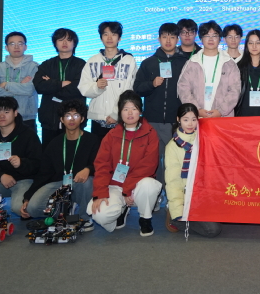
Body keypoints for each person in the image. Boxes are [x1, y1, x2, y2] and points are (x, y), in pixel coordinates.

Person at [87, 91, 161, 235]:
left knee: (150, 185)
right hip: (115, 185)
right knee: (99, 214)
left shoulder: (150, 133)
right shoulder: (111, 135)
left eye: (134, 108)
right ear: (120, 112)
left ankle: (145, 218)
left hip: (138, 185)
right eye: (126, 109)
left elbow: (149, 166)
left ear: (140, 111)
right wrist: (100, 192)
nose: (130, 113)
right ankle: (121, 209)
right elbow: (102, 165)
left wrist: (128, 188)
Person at [20, 100, 100, 227]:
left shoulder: (92, 140)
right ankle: (66, 210)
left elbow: (100, 164)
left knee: (88, 181)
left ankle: (84, 217)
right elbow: (43, 173)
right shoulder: (54, 143)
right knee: (32, 208)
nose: (71, 119)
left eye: (76, 115)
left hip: (80, 183)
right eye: (67, 116)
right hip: (60, 183)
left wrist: (88, 169)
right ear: (62, 119)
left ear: (82, 119)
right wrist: (28, 197)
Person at [134, 22, 188, 185]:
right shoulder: (149, 62)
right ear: (159, 39)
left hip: (175, 122)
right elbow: (137, 88)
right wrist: (152, 83)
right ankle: (155, 194)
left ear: (177, 39)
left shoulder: (185, 63)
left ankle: (173, 196)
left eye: (172, 37)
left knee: (175, 162)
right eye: (164, 37)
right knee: (154, 161)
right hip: (153, 121)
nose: (168, 40)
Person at [164, 103, 222, 237]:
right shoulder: (172, 146)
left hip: (203, 196)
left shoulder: (203, 139)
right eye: (186, 119)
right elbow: (173, 182)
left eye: (193, 119)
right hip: (185, 197)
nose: (190, 124)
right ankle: (174, 218)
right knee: (212, 230)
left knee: (225, 216)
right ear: (178, 119)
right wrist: (178, 211)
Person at [78, 21, 138, 140]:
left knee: (119, 150)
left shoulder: (128, 60)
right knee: (98, 150)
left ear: (119, 38)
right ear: (101, 38)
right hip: (98, 118)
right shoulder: (92, 60)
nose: (109, 38)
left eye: (113, 34)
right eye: (105, 34)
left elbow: (130, 90)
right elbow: (83, 88)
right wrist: (96, 87)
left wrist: (116, 113)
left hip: (120, 118)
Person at [33, 28, 87, 150]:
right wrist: (62, 83)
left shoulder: (81, 64)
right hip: (49, 119)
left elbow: (78, 88)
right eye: (61, 39)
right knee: (49, 153)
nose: (64, 43)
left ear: (74, 43)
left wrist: (51, 84)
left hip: (74, 119)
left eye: (69, 40)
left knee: (74, 153)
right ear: (55, 43)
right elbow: (39, 86)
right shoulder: (47, 64)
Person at [177, 20, 241, 118]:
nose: (211, 39)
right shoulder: (192, 62)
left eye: (214, 36)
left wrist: (220, 111)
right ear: (201, 39)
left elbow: (235, 90)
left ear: (220, 38)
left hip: (223, 118)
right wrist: (197, 110)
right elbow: (183, 89)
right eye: (207, 36)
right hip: (196, 118)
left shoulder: (229, 63)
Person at [0, 32, 40, 134]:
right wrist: (21, 86)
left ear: (25, 47)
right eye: (12, 44)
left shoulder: (35, 67)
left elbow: (30, 89)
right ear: (6, 47)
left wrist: (6, 85)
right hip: (2, 117)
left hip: (27, 117)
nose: (16, 47)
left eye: (20, 43)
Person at [235, 29, 260, 117]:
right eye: (251, 43)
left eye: (257, 43)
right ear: (246, 45)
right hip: (243, 115)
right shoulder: (239, 68)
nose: (254, 46)